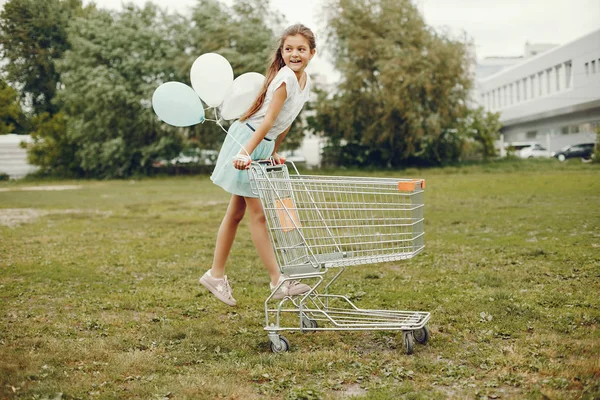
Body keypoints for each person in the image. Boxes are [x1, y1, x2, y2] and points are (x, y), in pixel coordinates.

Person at [199, 24, 316, 306]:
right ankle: (277, 280)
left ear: (312, 52)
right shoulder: (285, 78)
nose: (294, 54)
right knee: (258, 215)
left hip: (260, 144)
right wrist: (247, 153)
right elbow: (266, 121)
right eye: (288, 49)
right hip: (249, 140)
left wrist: (273, 151)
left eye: (301, 49)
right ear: (282, 52)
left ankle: (215, 275)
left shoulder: (304, 81)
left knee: (236, 212)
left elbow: (284, 123)